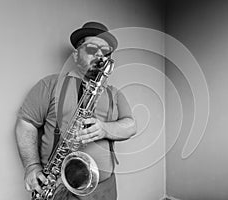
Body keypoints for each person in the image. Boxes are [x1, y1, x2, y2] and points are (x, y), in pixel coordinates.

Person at [15, 21, 137, 200]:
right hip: (58, 187)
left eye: (105, 52)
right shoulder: (50, 85)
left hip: (104, 188)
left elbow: (131, 125)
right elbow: (25, 123)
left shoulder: (114, 93)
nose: (99, 56)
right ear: (75, 55)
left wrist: (104, 129)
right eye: (91, 49)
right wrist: (32, 166)